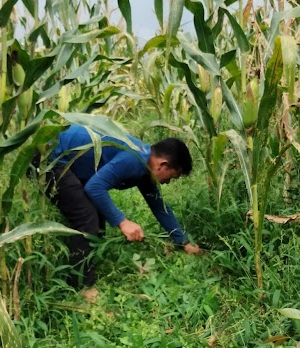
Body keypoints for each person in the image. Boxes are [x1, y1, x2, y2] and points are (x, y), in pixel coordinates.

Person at [44, 124, 201, 291]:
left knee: (97, 214)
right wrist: (123, 222)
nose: (169, 182)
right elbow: (94, 187)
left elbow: (159, 206)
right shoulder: (135, 159)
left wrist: (183, 241)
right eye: (173, 176)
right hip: (49, 157)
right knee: (87, 218)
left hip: (67, 160)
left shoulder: (145, 163)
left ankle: (85, 269)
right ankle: (81, 288)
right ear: (162, 165)